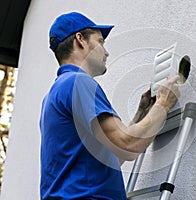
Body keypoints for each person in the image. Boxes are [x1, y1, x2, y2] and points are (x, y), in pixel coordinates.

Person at [40, 11, 180, 200]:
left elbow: (114, 155)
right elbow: (129, 145)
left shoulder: (54, 94)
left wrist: (142, 113)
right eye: (100, 42)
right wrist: (163, 102)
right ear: (80, 40)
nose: (106, 52)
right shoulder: (78, 82)